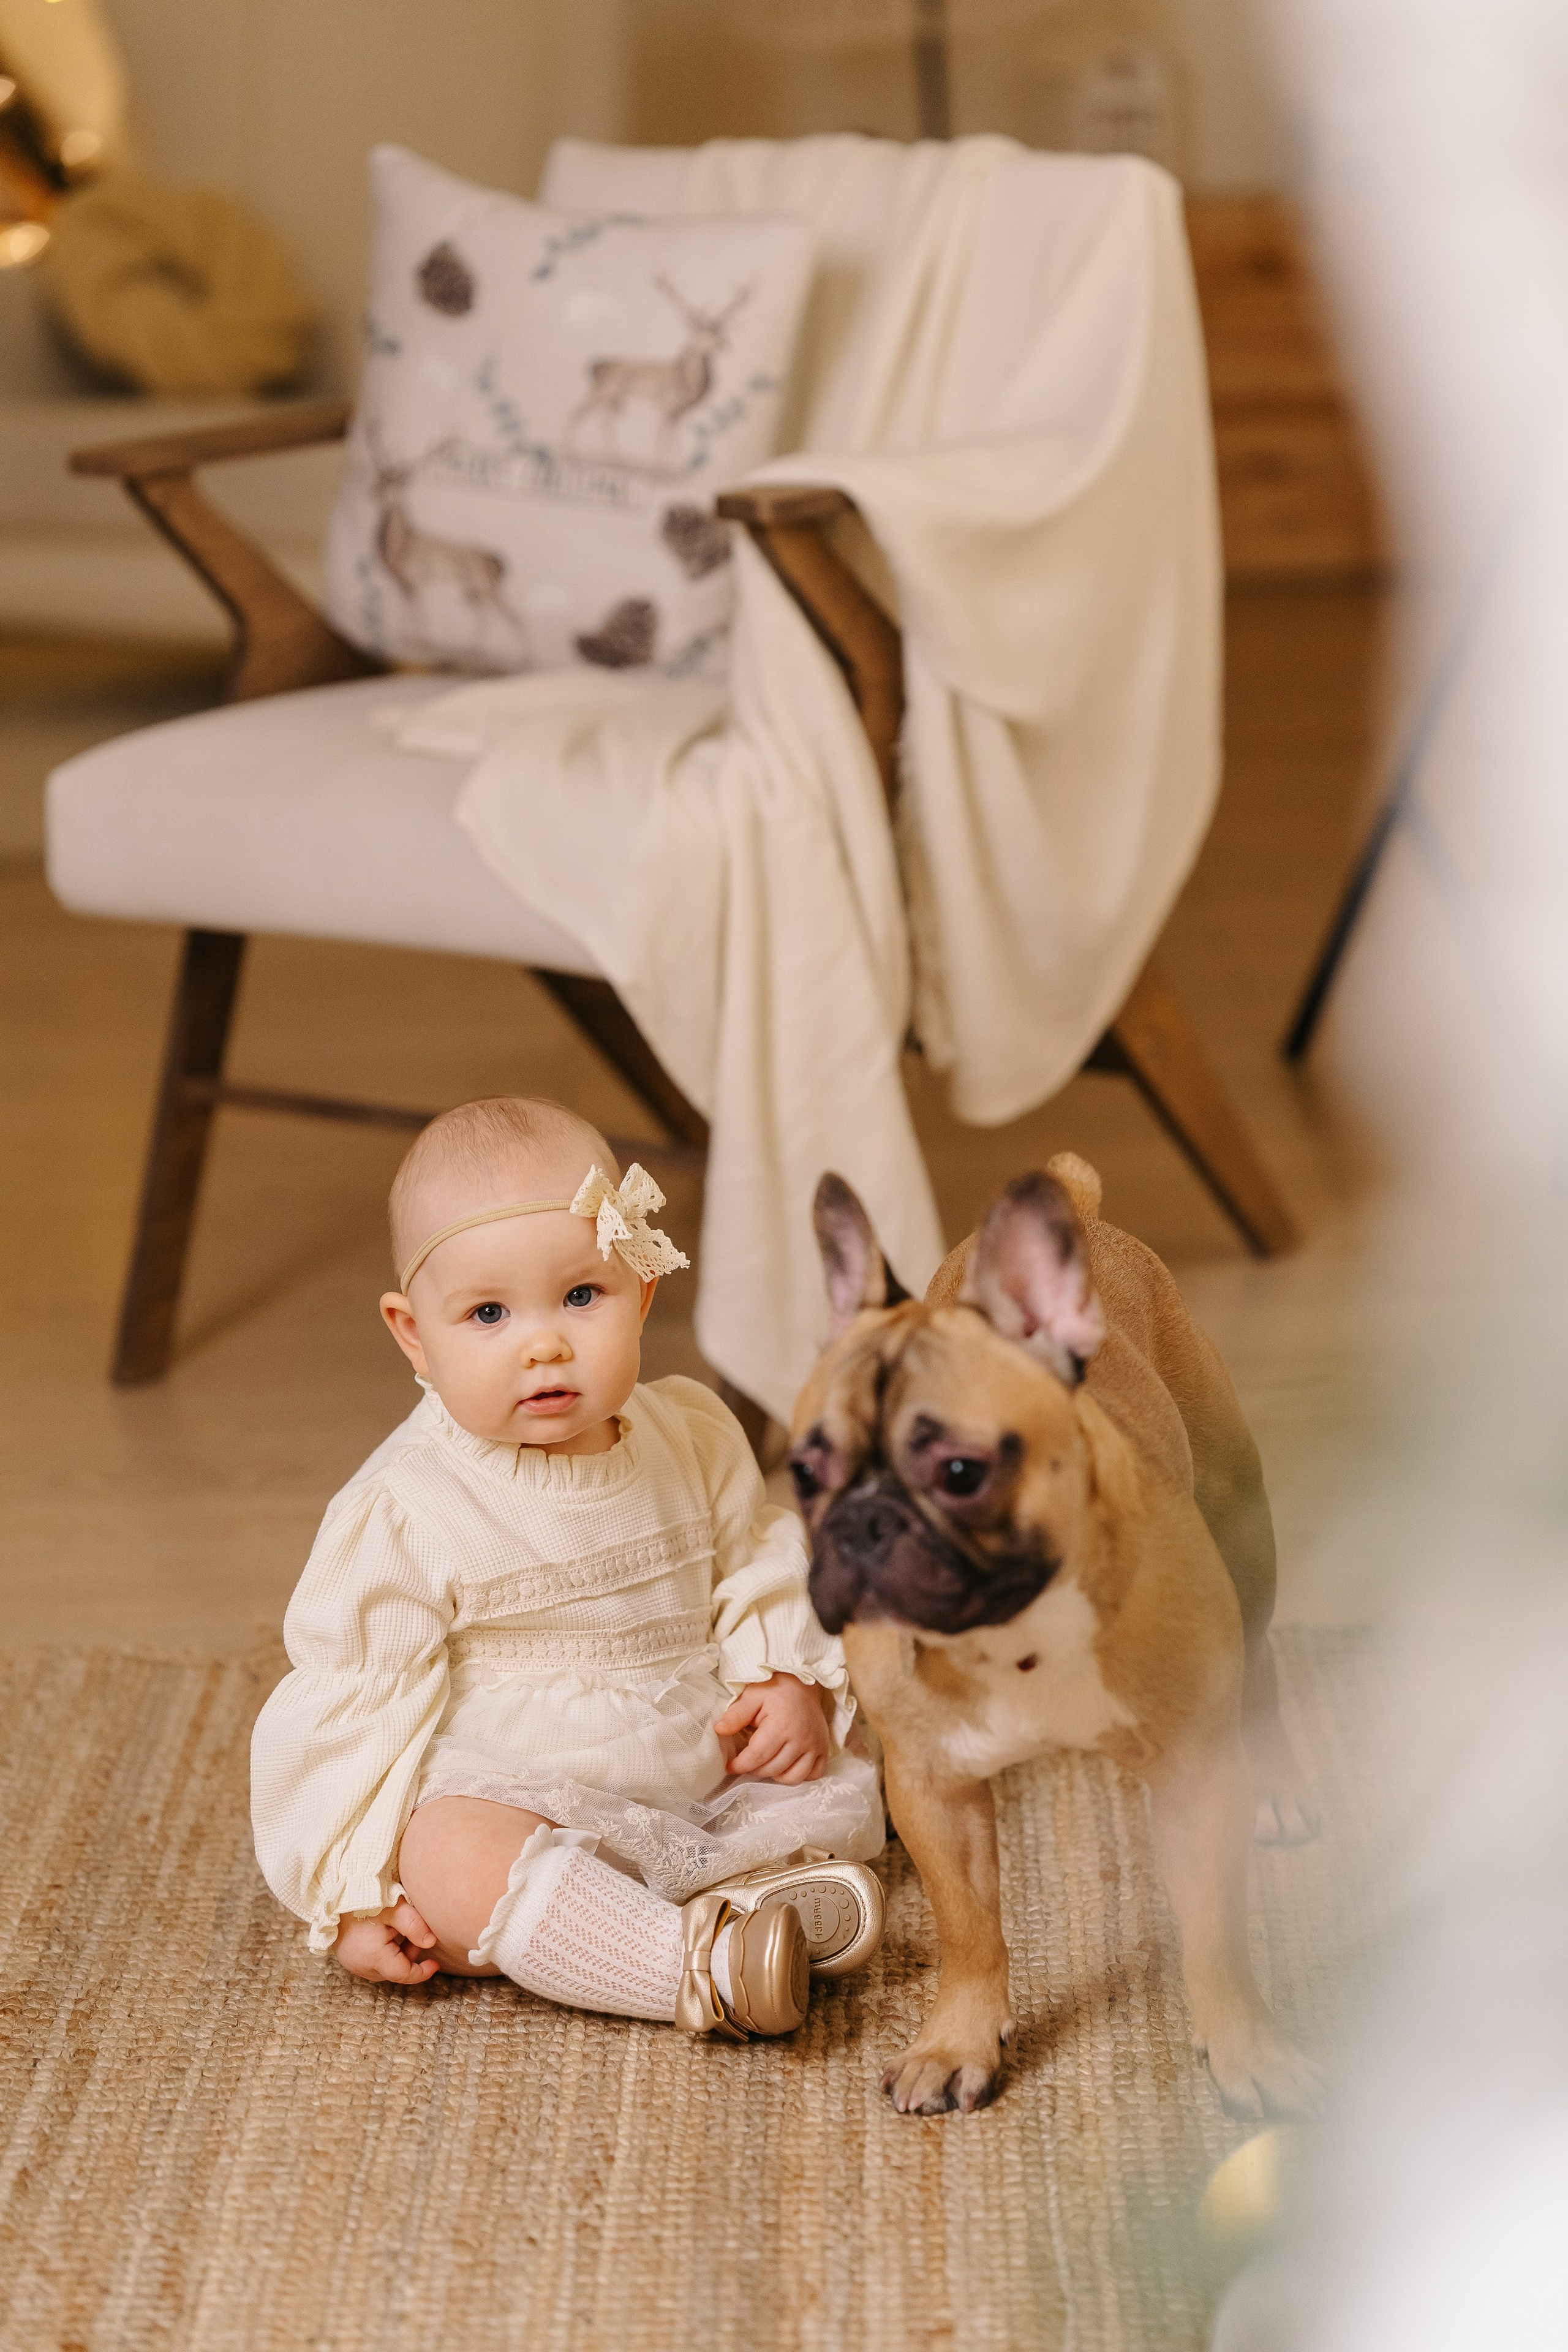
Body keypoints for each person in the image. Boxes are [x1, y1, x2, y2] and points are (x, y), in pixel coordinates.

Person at [251, 1095, 884, 2040]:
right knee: (449, 1865)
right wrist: (345, 1893)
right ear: (413, 1333)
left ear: (643, 1293)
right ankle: (695, 1965)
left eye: (582, 1297)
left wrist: (783, 1674)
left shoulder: (694, 1434)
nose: (543, 1342)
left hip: (696, 1754)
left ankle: (748, 1899)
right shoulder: (408, 1510)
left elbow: (753, 1560)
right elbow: (352, 1703)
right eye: (488, 1313)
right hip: (521, 1782)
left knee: (851, 1729)